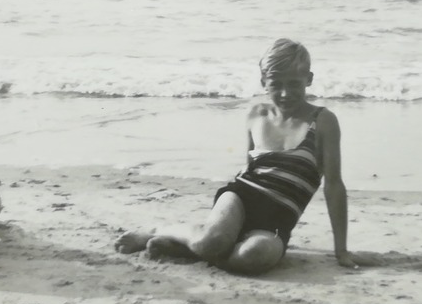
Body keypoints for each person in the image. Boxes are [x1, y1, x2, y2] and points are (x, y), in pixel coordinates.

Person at [115, 39, 350, 274]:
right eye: (276, 84)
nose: (285, 93)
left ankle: (190, 250)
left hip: (278, 219)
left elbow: (334, 185)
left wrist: (342, 250)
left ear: (309, 79)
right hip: (241, 198)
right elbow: (249, 169)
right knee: (210, 242)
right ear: (263, 83)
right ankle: (160, 230)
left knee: (253, 257)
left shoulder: (323, 121)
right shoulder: (257, 115)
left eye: (294, 84)